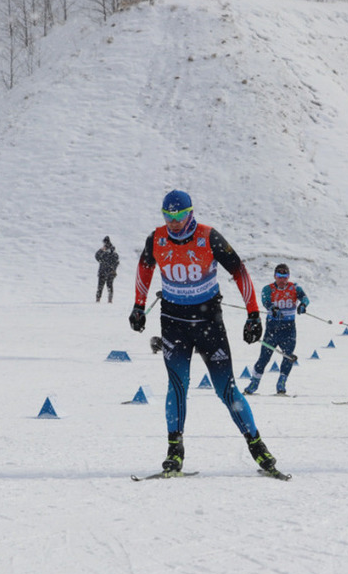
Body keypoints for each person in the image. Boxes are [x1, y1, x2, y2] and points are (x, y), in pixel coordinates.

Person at [129, 189, 280, 475]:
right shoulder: (157, 238)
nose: (174, 222)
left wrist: (253, 314)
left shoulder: (208, 237)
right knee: (177, 385)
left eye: (180, 216)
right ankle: (175, 452)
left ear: (191, 213)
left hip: (209, 323)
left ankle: (257, 446)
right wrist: (138, 306)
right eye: (168, 216)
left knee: (227, 389)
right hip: (174, 322)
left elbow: (239, 272)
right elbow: (144, 269)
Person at [244, 263, 309, 395]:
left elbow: (305, 298)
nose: (282, 280)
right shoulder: (268, 289)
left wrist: (302, 305)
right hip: (272, 329)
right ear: (275, 276)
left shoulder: (295, 288)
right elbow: (265, 301)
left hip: (289, 329)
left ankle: (281, 383)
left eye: (285, 276)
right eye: (279, 276)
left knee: (288, 357)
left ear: (288, 277)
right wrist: (272, 308)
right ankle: (254, 383)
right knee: (264, 358)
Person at [95, 236, 119, 303]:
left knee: (102, 286)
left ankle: (99, 299)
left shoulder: (109, 251)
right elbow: (116, 261)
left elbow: (97, 257)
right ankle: (109, 299)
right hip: (108, 271)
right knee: (108, 286)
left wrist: (101, 250)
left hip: (106, 271)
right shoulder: (110, 251)